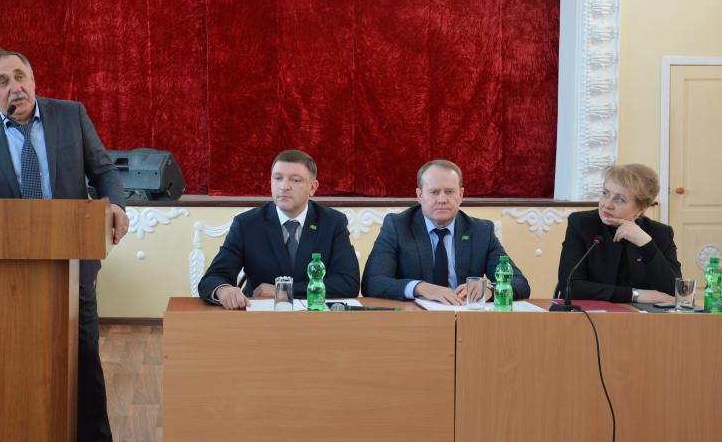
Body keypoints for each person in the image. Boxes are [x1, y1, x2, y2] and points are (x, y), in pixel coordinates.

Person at [0, 50, 129, 442]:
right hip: (4, 273)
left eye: (21, 76)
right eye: (3, 82)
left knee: (83, 358)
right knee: (11, 360)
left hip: (73, 259)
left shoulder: (71, 116)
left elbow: (103, 170)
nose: (15, 87)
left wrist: (115, 204)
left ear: (32, 79)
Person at [198, 149, 360, 309]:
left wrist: (283, 291)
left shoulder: (333, 223)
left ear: (313, 187)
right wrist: (223, 289)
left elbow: (348, 283)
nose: (284, 186)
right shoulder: (247, 224)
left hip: (315, 317)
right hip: (262, 317)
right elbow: (213, 278)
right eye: (277, 178)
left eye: (295, 180)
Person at [362, 159, 530, 303]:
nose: (442, 199)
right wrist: (420, 288)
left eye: (449, 192)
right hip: (416, 319)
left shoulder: (481, 231)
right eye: (434, 192)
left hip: (465, 318)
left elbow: (519, 283)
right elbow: (372, 282)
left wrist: (489, 290)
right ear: (419, 195)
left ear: (461, 195)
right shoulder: (397, 226)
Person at [557, 163, 681, 303]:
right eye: (605, 193)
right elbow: (570, 286)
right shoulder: (581, 224)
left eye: (620, 199)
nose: (607, 204)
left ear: (641, 208)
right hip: (589, 313)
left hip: (643, 316)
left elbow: (675, 292)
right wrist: (635, 295)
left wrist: (646, 244)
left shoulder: (661, 233)